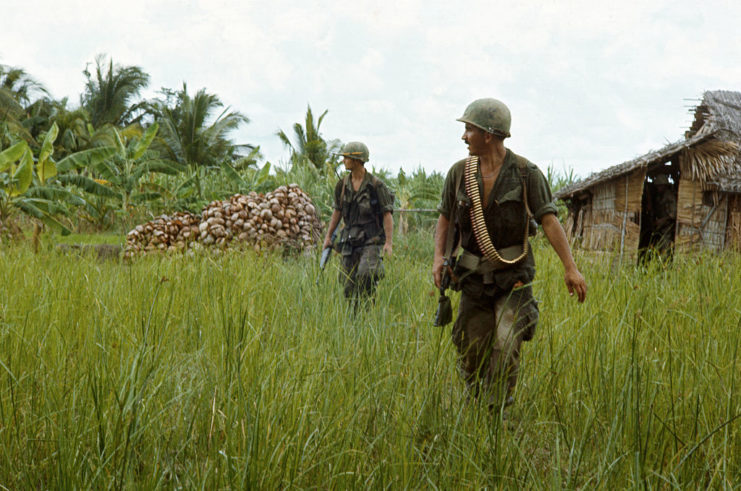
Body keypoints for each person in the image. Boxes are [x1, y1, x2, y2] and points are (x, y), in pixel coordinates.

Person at [432, 98, 587, 412]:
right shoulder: (459, 173)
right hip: (472, 277)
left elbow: (548, 219)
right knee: (470, 348)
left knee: (506, 345)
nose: (464, 137)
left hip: (512, 276)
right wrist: (438, 257)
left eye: (469, 130)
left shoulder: (526, 173)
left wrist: (570, 268)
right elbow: (446, 217)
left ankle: (500, 414)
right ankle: (476, 403)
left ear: (489, 134)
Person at [323, 141, 394, 310]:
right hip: (349, 240)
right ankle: (354, 319)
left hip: (371, 239)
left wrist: (388, 243)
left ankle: (367, 311)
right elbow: (337, 212)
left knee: (365, 275)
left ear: (356, 160)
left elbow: (387, 214)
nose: (343, 161)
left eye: (346, 158)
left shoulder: (376, 185)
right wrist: (328, 236)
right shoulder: (342, 185)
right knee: (347, 284)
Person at [650, 174, 677, 254]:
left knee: (665, 250)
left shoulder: (670, 197)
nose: (658, 188)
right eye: (657, 186)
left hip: (668, 228)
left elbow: (673, 214)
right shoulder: (659, 196)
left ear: (664, 186)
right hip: (660, 228)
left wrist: (662, 220)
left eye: (660, 186)